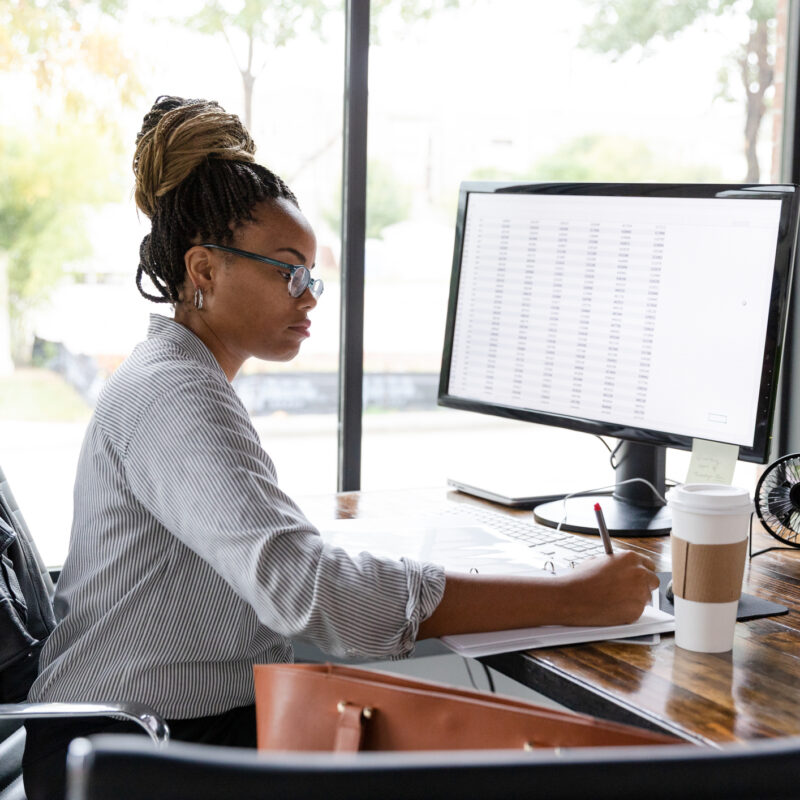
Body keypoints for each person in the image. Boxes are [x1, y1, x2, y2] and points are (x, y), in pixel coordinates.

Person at [22, 96, 659, 800]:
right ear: (203, 272)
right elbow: (310, 593)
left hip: (175, 726)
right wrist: (569, 599)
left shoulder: (180, 378)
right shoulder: (174, 393)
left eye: (312, 276)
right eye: (288, 271)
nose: (309, 296)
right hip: (135, 751)